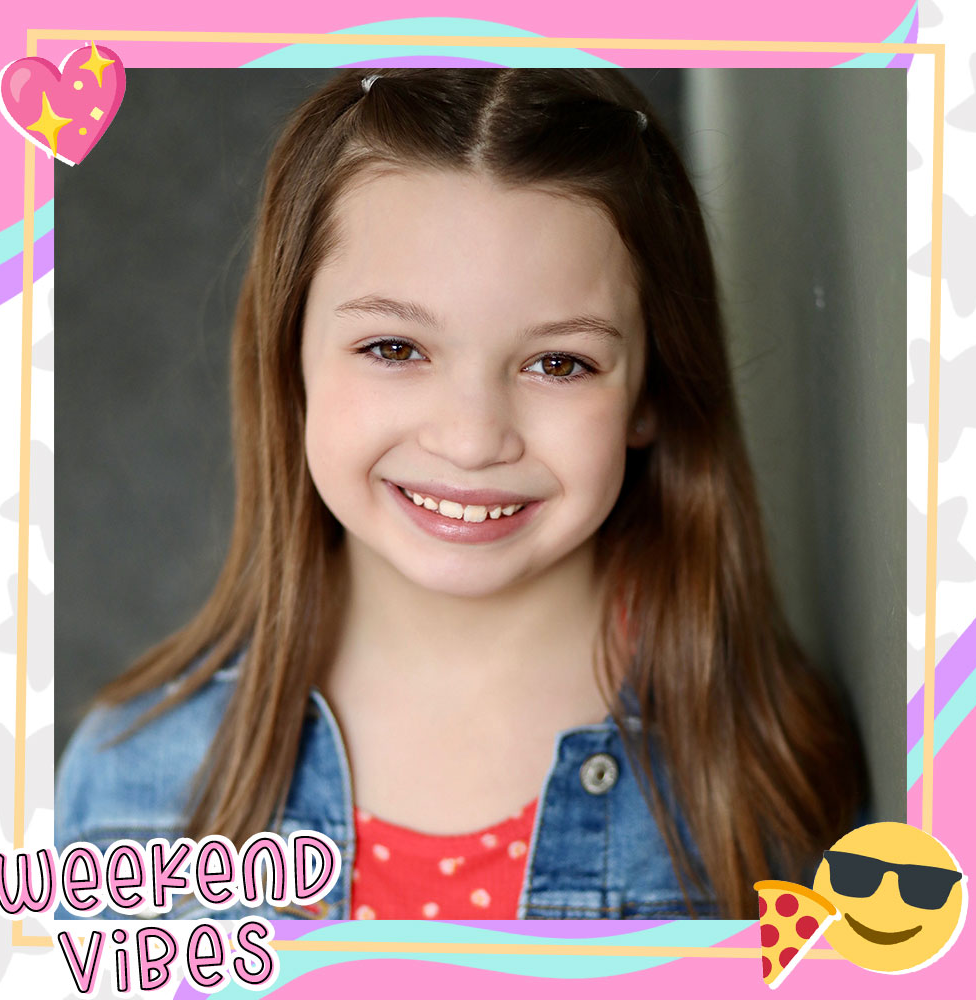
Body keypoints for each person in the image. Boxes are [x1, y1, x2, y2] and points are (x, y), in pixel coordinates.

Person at [55, 68, 865, 921]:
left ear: (652, 392)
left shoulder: (773, 777)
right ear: (289, 357)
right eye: (395, 348)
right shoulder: (127, 785)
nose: (474, 438)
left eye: (560, 363)